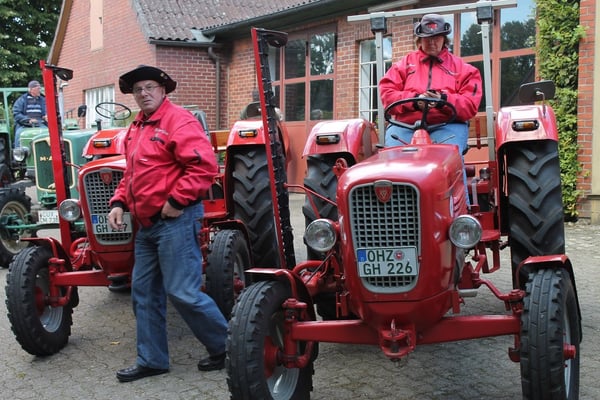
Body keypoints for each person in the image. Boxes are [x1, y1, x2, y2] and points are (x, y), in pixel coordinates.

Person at [107, 65, 228, 383]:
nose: (143, 93)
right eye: (138, 90)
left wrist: (176, 201)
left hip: (176, 220)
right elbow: (132, 174)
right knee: (144, 293)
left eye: (149, 87)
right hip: (146, 225)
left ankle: (228, 347)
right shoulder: (137, 127)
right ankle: (152, 360)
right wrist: (119, 202)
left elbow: (203, 167)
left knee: (183, 292)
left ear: (163, 90)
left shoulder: (179, 121)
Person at [379, 13, 482, 155]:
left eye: (436, 37)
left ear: (444, 39)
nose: (432, 42)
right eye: (427, 38)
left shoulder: (465, 70)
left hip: (448, 125)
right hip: (405, 125)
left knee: (448, 159)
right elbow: (387, 94)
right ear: (420, 39)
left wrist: (442, 100)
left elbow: (469, 105)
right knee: (393, 159)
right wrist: (415, 101)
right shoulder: (403, 66)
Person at [12, 80, 47, 147]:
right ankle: (19, 152)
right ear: (31, 89)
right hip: (25, 125)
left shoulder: (43, 100)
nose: (39, 90)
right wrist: (28, 120)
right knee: (19, 135)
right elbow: (16, 114)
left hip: (40, 124)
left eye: (40, 88)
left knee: (49, 133)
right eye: (38, 88)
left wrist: (46, 116)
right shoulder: (22, 99)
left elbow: (47, 110)